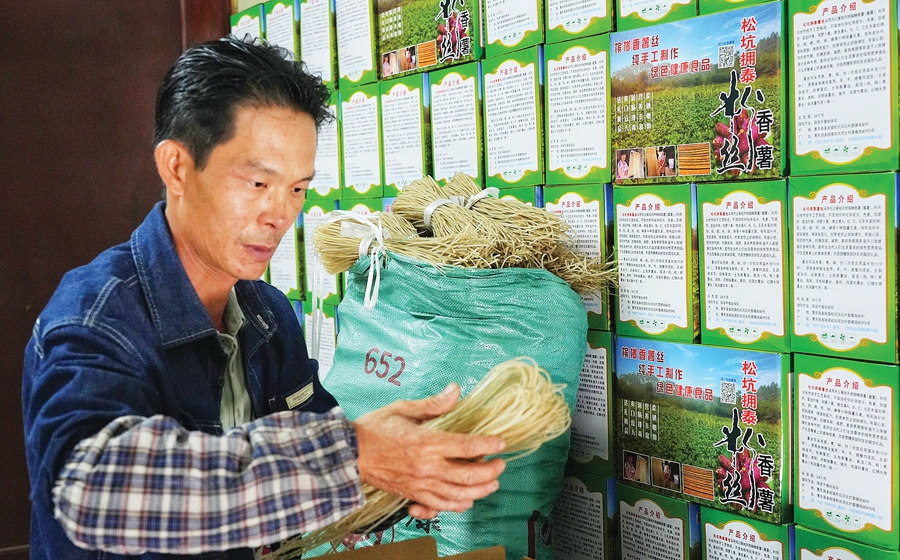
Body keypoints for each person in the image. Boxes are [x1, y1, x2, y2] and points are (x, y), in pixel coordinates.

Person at [22, 37, 506, 560]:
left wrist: (408, 472)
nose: (280, 215)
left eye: (297, 189)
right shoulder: (95, 318)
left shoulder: (267, 314)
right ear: (177, 167)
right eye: (257, 182)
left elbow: (311, 471)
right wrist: (354, 456)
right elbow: (91, 490)